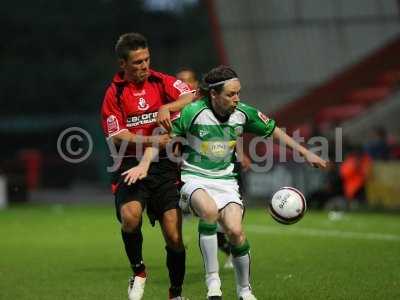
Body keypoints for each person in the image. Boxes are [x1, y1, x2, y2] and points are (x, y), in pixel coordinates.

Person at [126, 65, 327, 299]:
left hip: (227, 182)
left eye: (238, 93)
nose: (236, 99)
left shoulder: (243, 113)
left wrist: (305, 152)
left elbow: (274, 132)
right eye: (231, 94)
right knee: (209, 212)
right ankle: (213, 282)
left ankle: (245, 290)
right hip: (195, 178)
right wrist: (144, 164)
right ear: (214, 94)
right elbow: (161, 140)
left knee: (236, 232)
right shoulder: (193, 112)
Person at [101, 32, 195, 300]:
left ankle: (175, 294)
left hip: (164, 164)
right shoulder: (115, 92)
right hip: (129, 162)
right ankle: (139, 271)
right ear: (123, 64)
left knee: (174, 236)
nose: (144, 66)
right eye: (137, 62)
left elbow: (191, 94)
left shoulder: (161, 80)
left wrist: (168, 106)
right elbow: (115, 133)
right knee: (131, 217)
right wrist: (151, 138)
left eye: (147, 60)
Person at [176, 67, 237, 269]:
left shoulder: (210, 104)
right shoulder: (182, 107)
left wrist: (242, 154)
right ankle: (177, 241)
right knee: (202, 212)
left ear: (195, 83)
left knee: (213, 213)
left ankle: (228, 249)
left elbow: (232, 130)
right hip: (185, 166)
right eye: (181, 82)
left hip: (215, 164)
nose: (185, 85)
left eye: (188, 81)